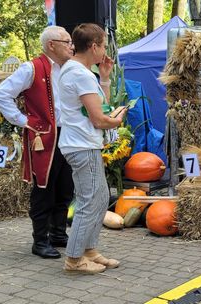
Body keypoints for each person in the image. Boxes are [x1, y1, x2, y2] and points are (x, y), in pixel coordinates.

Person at [0, 26, 75, 259]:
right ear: (51, 45)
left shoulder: (71, 68)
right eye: (67, 41)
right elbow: (0, 94)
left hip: (68, 135)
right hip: (44, 137)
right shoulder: (31, 68)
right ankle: (40, 241)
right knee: (43, 189)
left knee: (65, 187)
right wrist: (23, 120)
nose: (71, 46)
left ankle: (58, 233)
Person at [58, 23, 127, 274]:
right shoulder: (80, 74)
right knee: (91, 200)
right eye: (104, 45)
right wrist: (117, 121)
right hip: (82, 144)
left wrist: (105, 77)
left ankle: (89, 250)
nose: (105, 51)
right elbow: (100, 119)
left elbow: (101, 108)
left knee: (98, 198)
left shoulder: (80, 72)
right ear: (94, 46)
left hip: (81, 143)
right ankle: (74, 259)